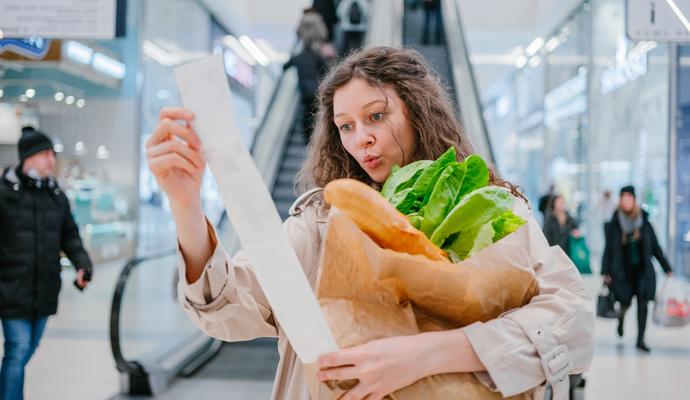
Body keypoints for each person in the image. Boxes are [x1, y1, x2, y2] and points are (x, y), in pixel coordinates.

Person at [146, 47, 593, 400]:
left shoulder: (490, 207)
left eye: (376, 116)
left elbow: (570, 321)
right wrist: (185, 204)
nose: (362, 139)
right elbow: (228, 308)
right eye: (345, 126)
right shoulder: (321, 221)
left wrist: (426, 355)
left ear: (417, 112)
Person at [0, 127, 92, 400]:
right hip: (10, 287)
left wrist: (83, 265)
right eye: (43, 154)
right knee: (18, 348)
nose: (50, 159)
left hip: (45, 287)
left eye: (52, 154)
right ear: (27, 157)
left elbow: (70, 237)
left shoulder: (56, 196)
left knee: (28, 348)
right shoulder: (4, 194)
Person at [602, 185, 672, 352]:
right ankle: (621, 319)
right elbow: (609, 248)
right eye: (623, 198)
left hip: (642, 271)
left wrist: (666, 267)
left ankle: (641, 339)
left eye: (629, 198)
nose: (626, 201)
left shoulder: (644, 222)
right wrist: (605, 271)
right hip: (622, 271)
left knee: (642, 304)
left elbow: (655, 247)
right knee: (625, 301)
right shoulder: (614, 222)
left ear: (634, 200)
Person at [285, 9, 336, 144]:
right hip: (316, 86)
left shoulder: (299, 56)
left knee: (307, 111)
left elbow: (286, 65)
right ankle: (319, 136)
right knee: (316, 111)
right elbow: (328, 68)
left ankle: (308, 137)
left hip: (304, 88)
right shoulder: (318, 55)